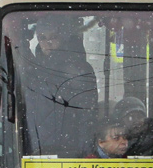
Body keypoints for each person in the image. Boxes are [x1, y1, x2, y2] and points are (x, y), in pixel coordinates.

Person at [21, 14, 97, 157]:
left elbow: (87, 116)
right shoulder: (32, 68)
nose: (48, 42)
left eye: (53, 37)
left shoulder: (79, 69)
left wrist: (85, 152)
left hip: (70, 150)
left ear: (63, 38)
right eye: (42, 38)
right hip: (36, 149)